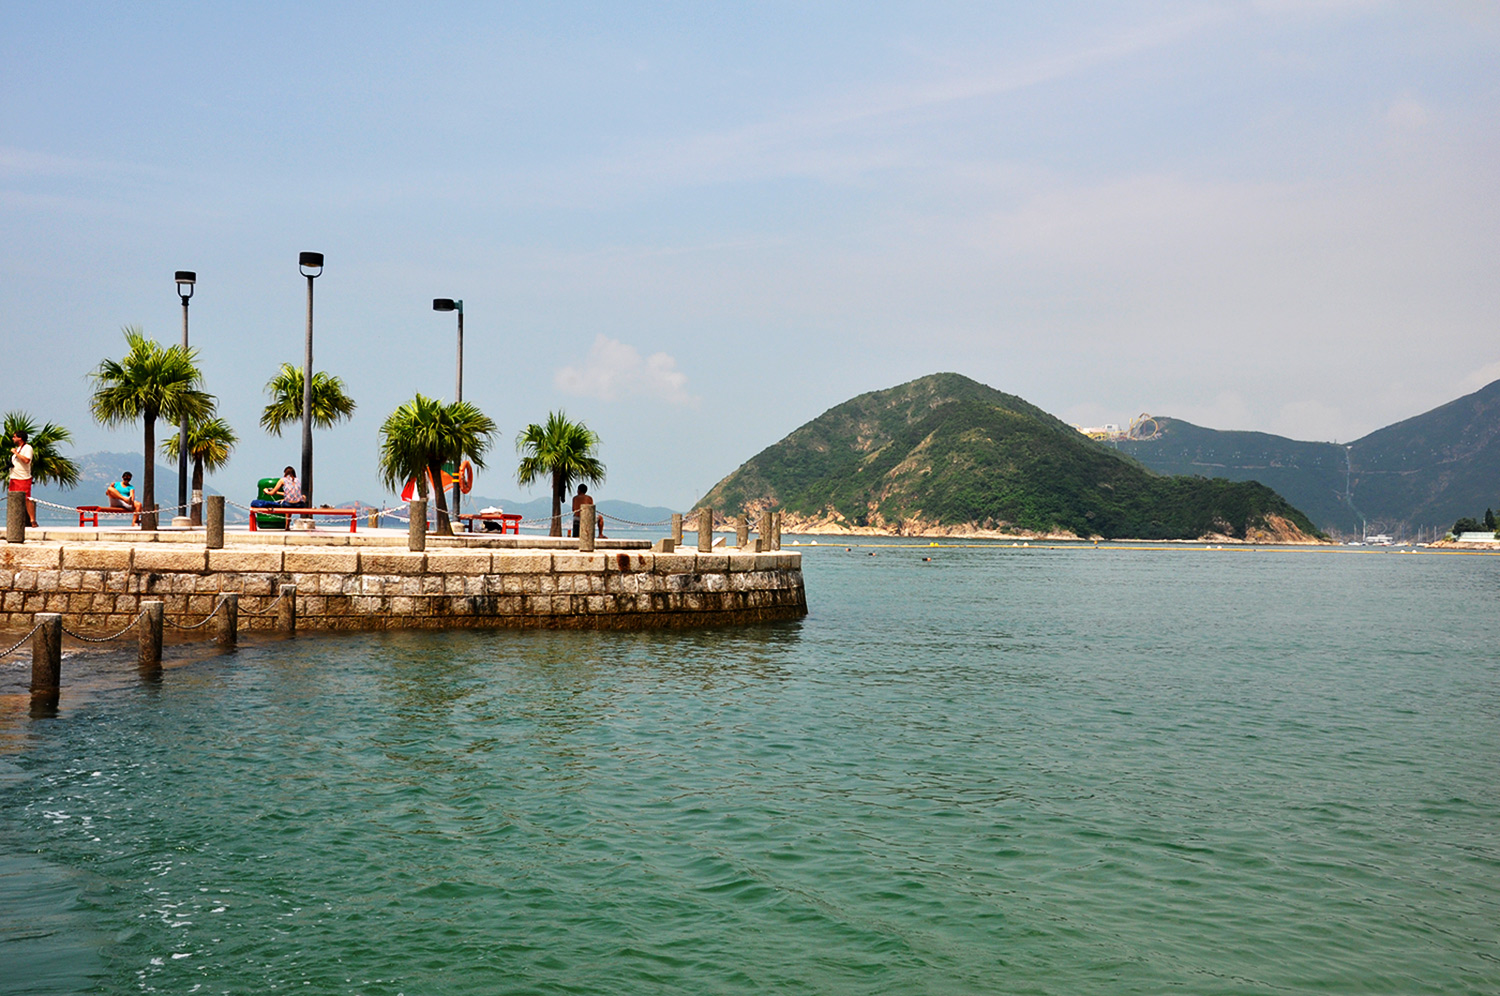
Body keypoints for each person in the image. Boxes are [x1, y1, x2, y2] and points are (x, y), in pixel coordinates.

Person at [8, 429, 37, 527]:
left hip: (23, 478)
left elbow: (26, 460)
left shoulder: (27, 448)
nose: (13, 438)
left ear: (20, 438)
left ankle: (32, 520)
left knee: (26, 499)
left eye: (14, 436)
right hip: (14, 478)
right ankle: (15, 521)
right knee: (14, 499)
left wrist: (16, 453)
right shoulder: (19, 449)